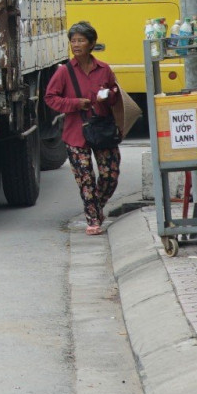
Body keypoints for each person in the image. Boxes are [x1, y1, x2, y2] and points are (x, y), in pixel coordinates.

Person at [44, 22, 125, 236]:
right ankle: (92, 219)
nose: (76, 45)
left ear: (92, 44)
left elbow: (115, 95)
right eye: (73, 41)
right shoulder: (64, 72)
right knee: (85, 179)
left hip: (103, 129)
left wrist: (108, 95)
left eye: (81, 40)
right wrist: (75, 104)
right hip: (76, 132)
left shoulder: (104, 69)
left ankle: (96, 207)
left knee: (110, 175)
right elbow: (50, 98)